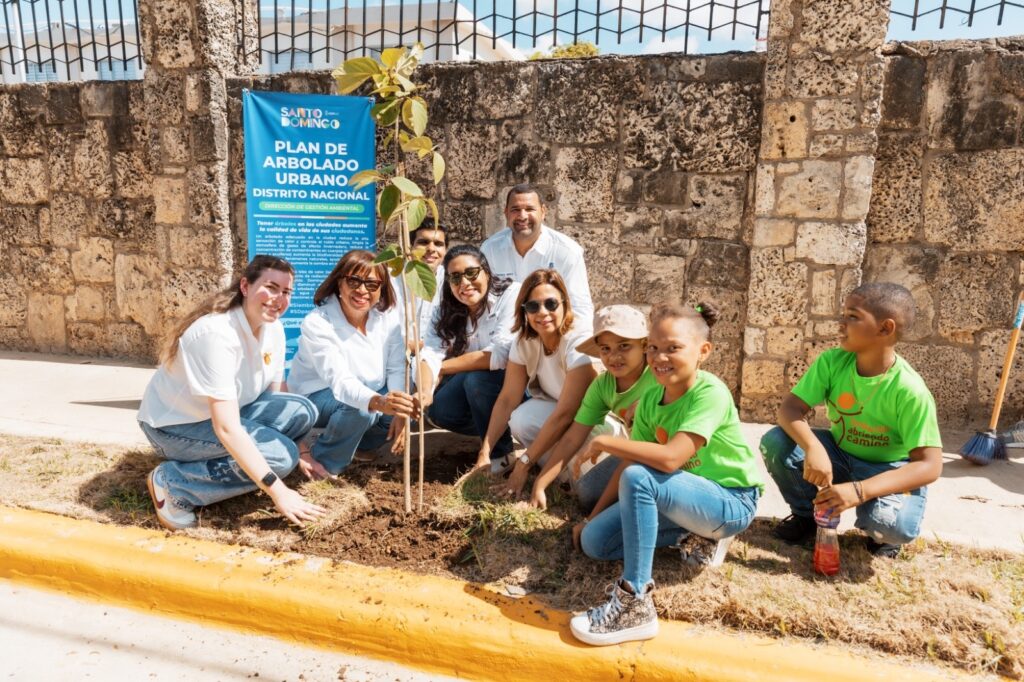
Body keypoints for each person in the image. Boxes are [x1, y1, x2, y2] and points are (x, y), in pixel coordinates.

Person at [570, 302, 764, 646]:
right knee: (594, 542)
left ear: (703, 351)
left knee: (640, 478)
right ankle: (695, 536)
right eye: (655, 349)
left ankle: (635, 604)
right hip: (679, 497)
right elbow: (632, 464)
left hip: (729, 501)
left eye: (673, 348)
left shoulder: (710, 392)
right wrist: (592, 517)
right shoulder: (649, 401)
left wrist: (608, 443)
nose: (660, 358)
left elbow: (672, 458)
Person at [137, 255, 325, 531]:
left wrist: (303, 449)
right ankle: (174, 483)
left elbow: (278, 397)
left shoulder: (273, 328)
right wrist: (278, 491)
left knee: (301, 410)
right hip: (174, 428)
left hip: (224, 416)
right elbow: (226, 428)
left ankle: (248, 460)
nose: (279, 298)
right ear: (245, 287)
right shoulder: (216, 335)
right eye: (271, 287)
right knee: (279, 457)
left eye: (286, 292)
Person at [759, 282, 943, 558]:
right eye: (843, 314)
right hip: (840, 455)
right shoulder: (833, 362)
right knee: (776, 442)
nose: (840, 323)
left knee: (891, 526)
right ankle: (806, 516)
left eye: (852, 317)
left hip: (887, 469)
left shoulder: (909, 390)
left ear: (885, 328)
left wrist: (860, 491)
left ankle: (882, 538)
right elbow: (790, 409)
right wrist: (813, 447)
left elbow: (929, 465)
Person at [288, 250, 430, 477]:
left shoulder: (388, 318)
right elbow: (340, 381)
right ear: (339, 283)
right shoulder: (318, 322)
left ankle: (360, 447)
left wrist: (399, 408)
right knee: (361, 410)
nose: (362, 290)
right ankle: (325, 465)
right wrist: (377, 402)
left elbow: (396, 367)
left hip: (371, 391)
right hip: (318, 398)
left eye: (372, 284)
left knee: (405, 400)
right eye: (354, 281)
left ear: (381, 288)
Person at [529, 304, 658, 512]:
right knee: (588, 492)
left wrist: (648, 403)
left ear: (644, 345)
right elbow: (573, 437)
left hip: (671, 453)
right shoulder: (602, 385)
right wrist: (540, 483)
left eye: (624, 346)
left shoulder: (659, 373)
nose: (614, 356)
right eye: (605, 349)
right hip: (637, 452)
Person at [480, 269, 599, 486]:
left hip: (592, 423)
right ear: (524, 311)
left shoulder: (578, 338)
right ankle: (558, 473)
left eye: (551, 304)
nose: (542, 312)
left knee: (589, 488)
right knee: (521, 419)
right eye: (533, 306)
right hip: (559, 415)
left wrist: (524, 462)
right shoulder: (525, 340)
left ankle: (559, 472)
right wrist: (484, 453)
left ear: (565, 303)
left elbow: (566, 414)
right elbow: (507, 399)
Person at [422, 245, 520, 467]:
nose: (464, 283)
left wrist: (443, 367)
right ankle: (494, 429)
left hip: (514, 386)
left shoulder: (511, 294)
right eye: (455, 277)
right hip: (475, 386)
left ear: (486, 271)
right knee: (439, 411)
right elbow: (429, 353)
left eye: (471, 273)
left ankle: (500, 455)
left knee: (476, 379)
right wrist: (424, 393)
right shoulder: (446, 308)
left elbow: (498, 356)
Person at [480, 184, 594, 330]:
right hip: (503, 333)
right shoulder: (490, 249)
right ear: (506, 213)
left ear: (543, 211)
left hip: (551, 334)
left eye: (529, 209)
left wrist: (575, 349)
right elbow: (485, 301)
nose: (522, 216)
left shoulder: (567, 251)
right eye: (515, 210)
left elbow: (580, 308)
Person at [392, 218, 448, 347]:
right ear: (410, 246)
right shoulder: (392, 278)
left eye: (438, 244)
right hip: (395, 358)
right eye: (423, 242)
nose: (431, 249)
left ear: (445, 250)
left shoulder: (452, 280)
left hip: (437, 361)